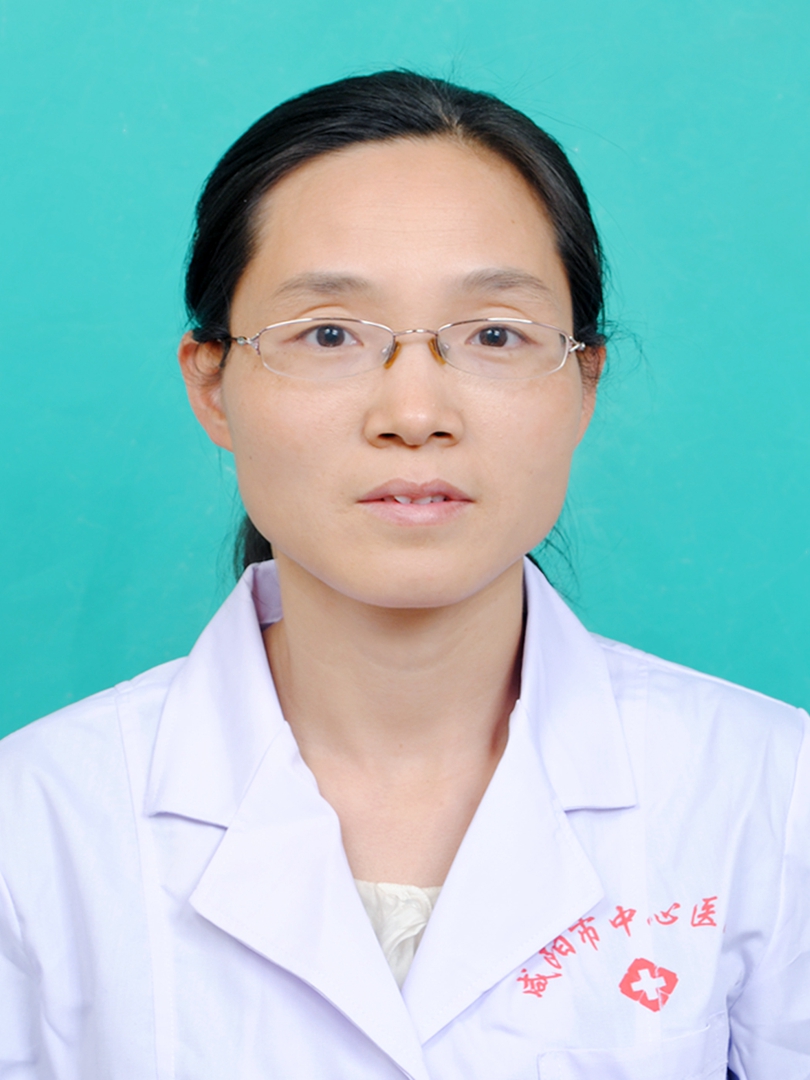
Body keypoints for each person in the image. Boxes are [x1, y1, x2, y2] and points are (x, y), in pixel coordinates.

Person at [0, 71, 807, 1080]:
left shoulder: (773, 796)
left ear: (584, 382)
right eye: (329, 333)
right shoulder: (33, 822)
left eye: (495, 335)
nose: (415, 413)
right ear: (212, 385)